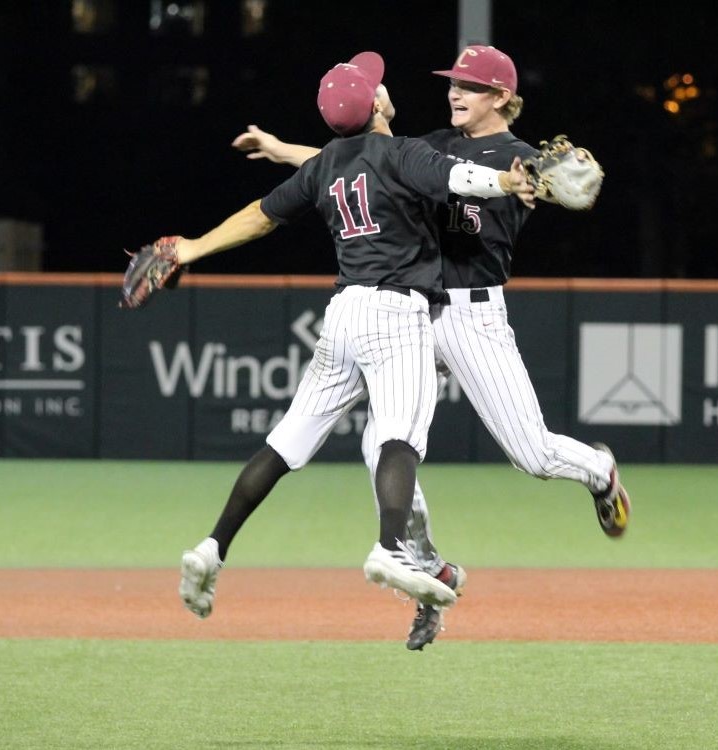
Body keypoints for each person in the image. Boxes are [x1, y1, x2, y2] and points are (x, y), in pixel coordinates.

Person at [231, 45, 631, 650]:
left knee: (533, 454)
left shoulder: (519, 158)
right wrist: (283, 150)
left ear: (502, 96)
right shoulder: (429, 145)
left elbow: (539, 186)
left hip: (472, 315)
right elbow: (357, 164)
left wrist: (542, 184)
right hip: (408, 312)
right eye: (453, 83)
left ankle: (599, 471)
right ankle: (425, 575)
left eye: (470, 86)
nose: (455, 92)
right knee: (380, 449)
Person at [173, 51, 537, 622]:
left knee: (286, 441)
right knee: (399, 438)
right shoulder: (402, 152)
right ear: (377, 105)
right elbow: (459, 177)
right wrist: (506, 179)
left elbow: (260, 214)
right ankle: (391, 548)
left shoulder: (330, 164)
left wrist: (190, 248)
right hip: (396, 314)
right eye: (378, 86)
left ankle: (211, 548)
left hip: (342, 314)